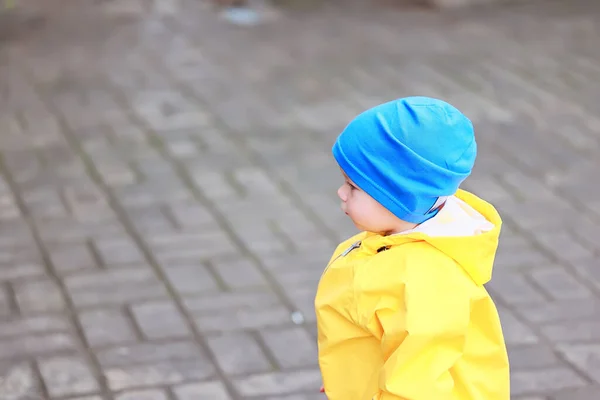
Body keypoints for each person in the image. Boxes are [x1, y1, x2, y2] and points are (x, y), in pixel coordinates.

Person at [314, 97, 510, 399]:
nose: (341, 192)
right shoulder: (386, 240)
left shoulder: (426, 281)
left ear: (400, 197)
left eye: (353, 186)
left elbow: (417, 386)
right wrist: (347, 373)